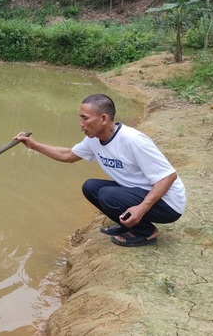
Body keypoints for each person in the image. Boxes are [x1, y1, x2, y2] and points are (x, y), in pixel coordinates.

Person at [14, 93, 186, 247]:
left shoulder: (133, 141)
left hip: (168, 204)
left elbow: (168, 176)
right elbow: (68, 155)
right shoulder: (93, 140)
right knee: (91, 187)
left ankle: (145, 232)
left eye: (85, 118)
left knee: (107, 195)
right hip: (141, 193)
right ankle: (133, 225)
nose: (81, 124)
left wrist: (141, 208)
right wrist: (34, 145)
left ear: (103, 119)